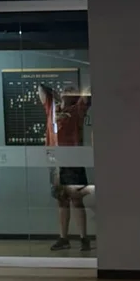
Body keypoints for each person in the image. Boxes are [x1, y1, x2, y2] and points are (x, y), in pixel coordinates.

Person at [38, 82, 93, 251]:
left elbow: (88, 94)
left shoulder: (77, 110)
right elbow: (41, 90)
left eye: (71, 90)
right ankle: (63, 238)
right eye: (65, 89)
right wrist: (54, 92)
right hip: (56, 162)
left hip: (72, 160)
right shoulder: (52, 109)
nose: (67, 91)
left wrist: (79, 92)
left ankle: (84, 238)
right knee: (62, 200)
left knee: (76, 200)